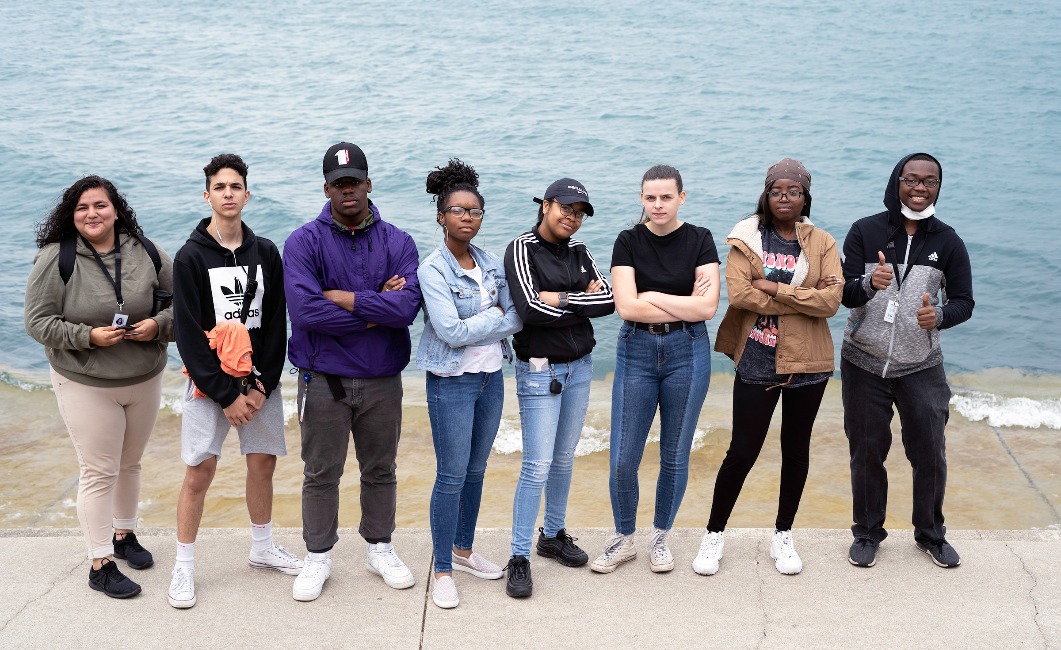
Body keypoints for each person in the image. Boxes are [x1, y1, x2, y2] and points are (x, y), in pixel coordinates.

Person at [285, 142, 422, 601]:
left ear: (369, 183)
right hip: (323, 378)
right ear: (327, 189)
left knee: (380, 468)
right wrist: (372, 310)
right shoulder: (303, 241)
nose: (348, 191)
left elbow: (405, 309)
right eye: (339, 184)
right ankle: (318, 555)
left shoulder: (398, 240)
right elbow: (305, 312)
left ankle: (379, 547)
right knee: (320, 471)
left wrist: (343, 297)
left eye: (355, 182)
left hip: (384, 378)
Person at [25, 176, 174, 599]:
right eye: (82, 208)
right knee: (98, 471)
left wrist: (157, 326)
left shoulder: (145, 251)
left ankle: (123, 536)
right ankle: (100, 562)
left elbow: (184, 306)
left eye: (101, 205)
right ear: (71, 216)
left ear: (116, 209)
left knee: (130, 464)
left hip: (144, 376)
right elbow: (37, 323)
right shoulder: (57, 258)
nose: (92, 214)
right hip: (85, 381)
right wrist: (87, 336)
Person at [693, 158, 842, 577]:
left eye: (794, 191)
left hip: (809, 362)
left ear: (805, 197)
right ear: (766, 193)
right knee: (742, 451)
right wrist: (803, 295)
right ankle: (714, 534)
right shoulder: (745, 238)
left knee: (796, 452)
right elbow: (740, 295)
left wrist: (775, 287)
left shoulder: (824, 242)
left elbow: (831, 302)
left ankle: (783, 534)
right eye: (777, 191)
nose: (785, 198)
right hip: (757, 361)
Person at [167, 154, 299, 609]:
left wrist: (261, 386)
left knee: (262, 464)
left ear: (246, 194)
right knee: (199, 472)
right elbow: (187, 334)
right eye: (219, 187)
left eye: (235, 186)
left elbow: (276, 323)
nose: (228, 193)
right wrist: (226, 395)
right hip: (211, 385)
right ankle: (183, 566)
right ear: (208, 195)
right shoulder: (189, 257)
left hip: (259, 383)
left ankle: (262, 549)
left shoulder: (265, 252)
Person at [840, 152, 973, 569]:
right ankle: (867, 533)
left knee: (930, 451)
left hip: (922, 365)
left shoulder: (948, 241)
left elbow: (965, 302)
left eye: (928, 181)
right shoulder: (865, 231)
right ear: (897, 182)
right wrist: (868, 283)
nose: (919, 188)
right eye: (911, 179)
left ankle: (931, 535)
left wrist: (941, 316)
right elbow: (842, 292)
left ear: (938, 186)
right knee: (866, 451)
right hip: (863, 361)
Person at [593, 165, 720, 574]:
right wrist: (676, 298)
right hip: (637, 351)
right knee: (623, 459)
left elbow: (707, 308)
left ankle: (661, 536)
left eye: (666, 197)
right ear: (642, 199)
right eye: (651, 198)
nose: (658, 204)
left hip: (689, 350)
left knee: (674, 455)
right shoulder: (628, 241)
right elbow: (626, 307)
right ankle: (624, 537)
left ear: (682, 197)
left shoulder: (700, 239)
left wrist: (650, 292)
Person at [415, 159, 522, 609]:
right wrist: (494, 317)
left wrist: (491, 320)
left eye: (475, 211)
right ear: (441, 216)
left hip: (491, 378)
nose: (467, 218)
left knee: (476, 471)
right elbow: (449, 332)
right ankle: (441, 568)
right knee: (451, 475)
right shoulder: (432, 270)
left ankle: (462, 549)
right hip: (451, 382)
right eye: (458, 210)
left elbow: (518, 316)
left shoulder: (491, 262)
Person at [502, 177, 614, 598]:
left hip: (580, 367)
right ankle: (518, 556)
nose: (573, 217)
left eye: (580, 212)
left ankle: (552, 535)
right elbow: (529, 309)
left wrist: (562, 299)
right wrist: (576, 298)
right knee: (537, 465)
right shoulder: (520, 248)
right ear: (546, 205)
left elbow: (609, 301)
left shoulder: (581, 252)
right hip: (540, 371)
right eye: (566, 208)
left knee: (564, 458)